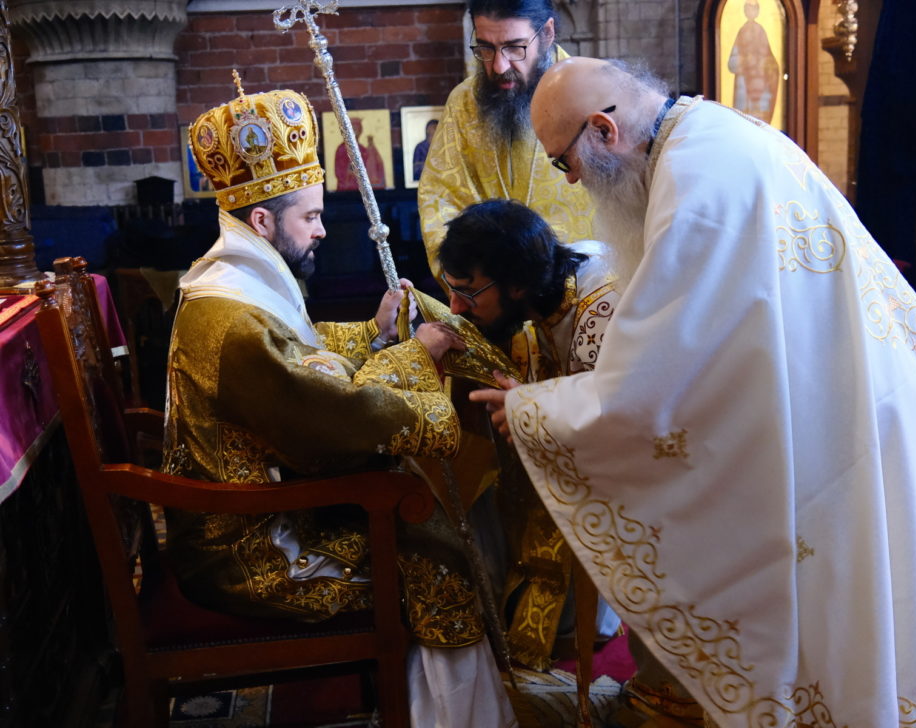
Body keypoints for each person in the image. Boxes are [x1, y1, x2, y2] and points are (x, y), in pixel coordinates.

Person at [472, 57, 916, 727]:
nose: (570, 181)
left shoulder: (697, 182)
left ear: (604, 130)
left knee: (840, 592)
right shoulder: (700, 137)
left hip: (854, 408)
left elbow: (650, 384)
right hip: (862, 387)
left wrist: (533, 412)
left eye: (561, 161)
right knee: (853, 591)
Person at [165, 82, 516, 727]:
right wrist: (419, 355)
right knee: (437, 555)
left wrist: (380, 333)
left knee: (425, 523)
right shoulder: (233, 318)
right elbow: (329, 420)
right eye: (310, 217)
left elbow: (305, 354)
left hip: (266, 505)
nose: (325, 229)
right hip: (250, 546)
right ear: (263, 221)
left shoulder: (237, 279)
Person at [437, 199, 621, 670]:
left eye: (469, 293)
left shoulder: (604, 309)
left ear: (517, 284)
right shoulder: (549, 280)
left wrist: (531, 410)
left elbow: (619, 420)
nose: (457, 306)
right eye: (450, 290)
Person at [417, 0, 594, 281]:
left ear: (547, 34)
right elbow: (440, 203)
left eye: (514, 47)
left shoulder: (594, 93)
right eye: (486, 47)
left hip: (586, 292)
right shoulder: (464, 104)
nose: (499, 66)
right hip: (493, 296)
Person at [727, 0, 780, 124]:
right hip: (744, 86)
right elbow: (732, 64)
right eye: (748, 8)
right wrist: (745, 61)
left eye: (753, 8)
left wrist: (764, 64)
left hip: (762, 85)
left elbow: (770, 60)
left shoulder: (761, 31)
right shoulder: (742, 31)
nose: (750, 11)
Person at [334, 116, 386, 190]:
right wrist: (351, 171)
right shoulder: (342, 149)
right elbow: (339, 172)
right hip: (347, 189)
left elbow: (371, 167)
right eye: (353, 129)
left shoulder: (363, 149)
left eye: (357, 129)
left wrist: (372, 151)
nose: (355, 132)